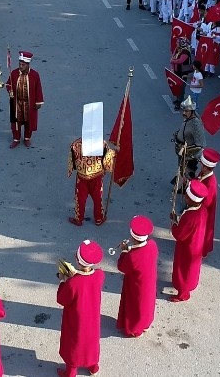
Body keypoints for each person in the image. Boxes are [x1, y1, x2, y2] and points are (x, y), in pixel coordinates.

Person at [57, 240, 104, 377]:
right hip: (92, 318)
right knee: (91, 342)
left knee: (74, 344)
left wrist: (62, 280)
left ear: (77, 261)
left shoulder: (73, 283)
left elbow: (62, 299)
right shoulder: (99, 275)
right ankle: (93, 366)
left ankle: (70, 372)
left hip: (76, 319)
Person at [113, 215, 158, 338]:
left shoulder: (132, 256)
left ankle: (134, 328)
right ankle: (146, 324)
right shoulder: (152, 245)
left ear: (133, 236)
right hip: (148, 281)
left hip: (136, 285)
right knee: (147, 304)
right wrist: (130, 250)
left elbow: (122, 266)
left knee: (136, 305)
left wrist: (124, 251)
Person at [169, 179, 208, 302]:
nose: (185, 197)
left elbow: (179, 235)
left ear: (190, 199)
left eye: (187, 196)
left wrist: (174, 223)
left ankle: (183, 293)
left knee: (183, 269)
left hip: (187, 248)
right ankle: (189, 285)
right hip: (197, 244)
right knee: (192, 269)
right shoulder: (202, 210)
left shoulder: (189, 217)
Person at [67, 139, 116, 226]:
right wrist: (114, 152)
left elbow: (73, 164)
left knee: (80, 199)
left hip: (82, 177)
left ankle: (79, 219)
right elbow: (106, 161)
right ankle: (99, 219)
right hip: (97, 177)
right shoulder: (102, 144)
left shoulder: (75, 144)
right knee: (98, 198)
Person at [6, 51, 45, 148]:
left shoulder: (35, 75)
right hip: (17, 103)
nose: (20, 66)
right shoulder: (14, 73)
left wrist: (38, 102)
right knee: (16, 122)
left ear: (28, 65)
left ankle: (27, 138)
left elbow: (38, 89)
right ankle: (16, 139)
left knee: (29, 121)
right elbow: (8, 84)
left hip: (29, 103)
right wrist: (10, 90)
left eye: (23, 65)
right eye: (19, 64)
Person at [172, 97, 206, 180]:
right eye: (183, 110)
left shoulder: (196, 125)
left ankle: (189, 190)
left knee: (187, 175)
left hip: (190, 156)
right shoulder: (187, 118)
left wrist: (186, 151)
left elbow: (200, 145)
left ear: (192, 111)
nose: (184, 113)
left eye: (186, 111)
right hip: (182, 152)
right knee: (181, 172)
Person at [195, 149, 220, 256]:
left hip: (203, 211)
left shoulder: (211, 182)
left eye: (202, 165)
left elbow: (207, 202)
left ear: (207, 167)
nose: (201, 167)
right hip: (199, 208)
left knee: (201, 231)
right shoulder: (204, 173)